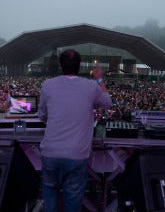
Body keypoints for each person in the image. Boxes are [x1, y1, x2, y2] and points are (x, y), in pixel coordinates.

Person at [38, 49, 112, 212]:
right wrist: (99, 79)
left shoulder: (47, 85)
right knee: (72, 202)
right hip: (76, 155)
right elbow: (107, 103)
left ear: (60, 66)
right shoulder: (91, 86)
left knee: (49, 199)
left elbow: (42, 115)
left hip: (50, 152)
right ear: (79, 67)